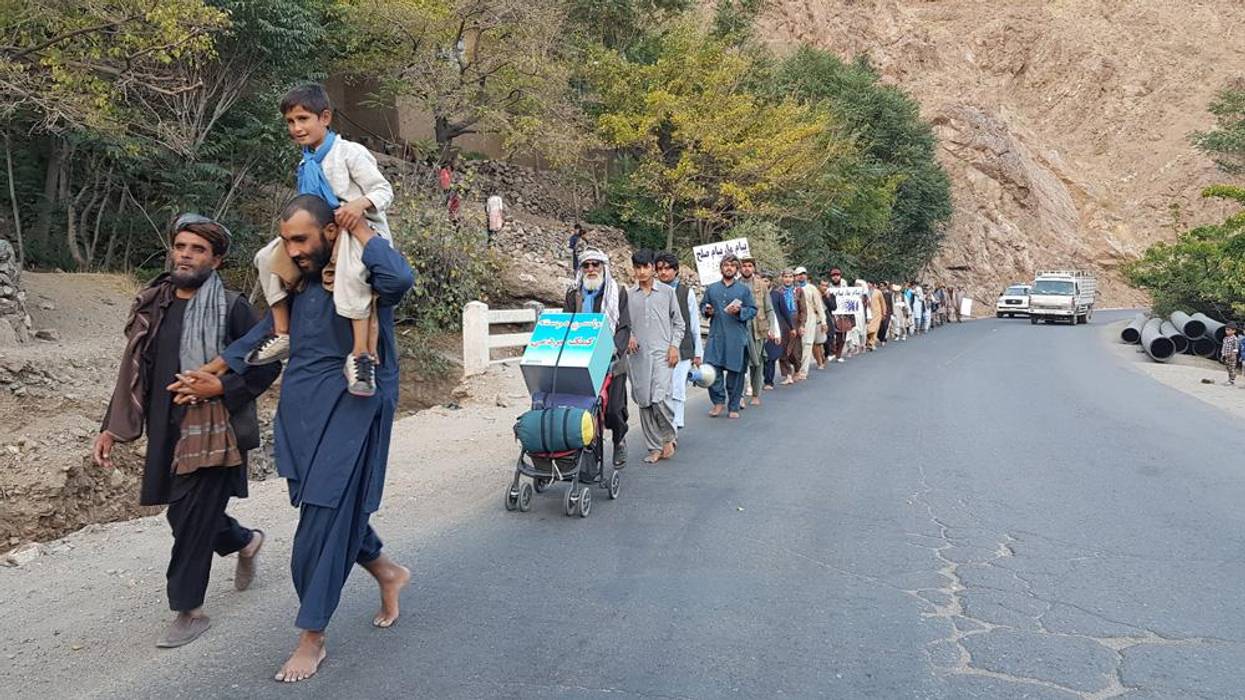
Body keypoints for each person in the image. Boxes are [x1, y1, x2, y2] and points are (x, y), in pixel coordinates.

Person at [221, 195, 414, 683]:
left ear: (330, 232)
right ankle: (387, 571)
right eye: (286, 241)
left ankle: (312, 634)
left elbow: (400, 279)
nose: (294, 250)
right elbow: (266, 334)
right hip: (303, 413)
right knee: (326, 507)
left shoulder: (362, 278)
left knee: (323, 519)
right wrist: (216, 371)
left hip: (354, 407)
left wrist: (360, 229)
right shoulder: (301, 283)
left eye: (301, 239)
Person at [93, 214, 279, 649]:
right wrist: (110, 429)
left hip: (217, 431)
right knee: (181, 515)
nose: (186, 255)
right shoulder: (153, 305)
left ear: (216, 260)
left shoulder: (232, 307)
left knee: (192, 519)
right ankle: (244, 540)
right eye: (181, 247)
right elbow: (134, 373)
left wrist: (223, 387)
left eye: (198, 249)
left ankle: (189, 610)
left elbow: (267, 362)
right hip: (166, 431)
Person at [232, 84, 394, 399]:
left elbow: (384, 190)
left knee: (351, 270)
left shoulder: (349, 153)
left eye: (303, 119)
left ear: (325, 118)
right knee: (266, 258)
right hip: (322, 235)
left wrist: (358, 205)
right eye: (291, 122)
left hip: (358, 231)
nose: (297, 128)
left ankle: (360, 354)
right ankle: (282, 332)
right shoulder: (306, 162)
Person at [564, 249, 631, 466]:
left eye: (596, 265)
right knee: (586, 410)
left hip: (612, 360)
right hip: (582, 360)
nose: (591, 269)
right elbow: (567, 324)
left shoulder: (617, 292)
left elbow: (624, 327)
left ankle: (619, 441)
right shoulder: (573, 294)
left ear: (604, 267)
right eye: (587, 265)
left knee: (613, 410)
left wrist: (613, 350)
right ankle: (591, 454)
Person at [626, 250, 685, 463]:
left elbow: (679, 323)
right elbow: (621, 324)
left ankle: (668, 436)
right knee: (644, 401)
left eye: (646, 267)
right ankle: (654, 447)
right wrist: (629, 336)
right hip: (638, 356)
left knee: (659, 398)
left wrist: (674, 346)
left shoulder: (667, 293)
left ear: (653, 268)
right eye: (637, 267)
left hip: (663, 354)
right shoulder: (628, 295)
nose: (642, 272)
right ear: (633, 270)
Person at [702, 254, 757, 418]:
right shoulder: (711, 289)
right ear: (721, 268)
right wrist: (707, 310)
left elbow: (752, 310)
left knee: (736, 372)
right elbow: (703, 306)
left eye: (733, 266)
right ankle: (718, 402)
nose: (729, 268)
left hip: (736, 337)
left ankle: (733, 405)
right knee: (711, 369)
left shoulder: (743, 290)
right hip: (716, 336)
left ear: (737, 269)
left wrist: (740, 311)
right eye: (726, 265)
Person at [654, 252, 702, 430]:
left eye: (667, 268)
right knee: (661, 387)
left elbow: (694, 324)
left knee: (678, 385)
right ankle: (664, 421)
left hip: (682, 347)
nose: (663, 272)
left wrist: (698, 353)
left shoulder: (686, 293)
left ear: (675, 270)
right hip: (659, 348)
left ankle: (677, 421)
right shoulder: (653, 291)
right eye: (660, 269)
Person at [739, 256, 776, 405]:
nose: (747, 268)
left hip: (758, 330)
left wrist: (772, 328)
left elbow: (769, 309)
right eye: (744, 266)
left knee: (757, 363)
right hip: (740, 329)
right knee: (740, 364)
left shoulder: (761, 285)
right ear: (740, 268)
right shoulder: (735, 285)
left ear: (754, 268)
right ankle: (739, 396)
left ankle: (755, 394)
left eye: (749, 266)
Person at [770, 269, 806, 384]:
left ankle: (797, 370)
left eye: (790, 277)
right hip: (782, 322)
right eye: (786, 277)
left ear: (794, 278)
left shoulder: (798, 291)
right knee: (782, 349)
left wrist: (802, 325)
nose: (788, 279)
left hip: (795, 322)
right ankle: (787, 375)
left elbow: (803, 310)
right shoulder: (777, 292)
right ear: (782, 278)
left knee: (796, 350)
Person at [794, 267, 826, 380]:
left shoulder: (812, 288)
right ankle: (796, 370)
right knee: (795, 346)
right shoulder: (792, 289)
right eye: (799, 274)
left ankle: (803, 371)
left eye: (803, 274)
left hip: (810, 319)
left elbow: (819, 306)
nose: (801, 276)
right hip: (795, 320)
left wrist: (823, 321)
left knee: (807, 344)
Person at [828, 268, 852, 363]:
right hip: (832, 314)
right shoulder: (828, 288)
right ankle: (831, 353)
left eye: (837, 275)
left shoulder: (845, 287)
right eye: (834, 275)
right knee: (831, 334)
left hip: (843, 314)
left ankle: (838, 355)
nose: (835, 277)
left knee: (842, 335)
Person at [867, 282, 885, 351]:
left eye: (869, 284)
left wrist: (884, 313)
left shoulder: (878, 292)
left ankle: (872, 343)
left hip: (877, 313)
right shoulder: (865, 292)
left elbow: (882, 303)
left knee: (875, 329)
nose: (868, 285)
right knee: (868, 329)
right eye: (867, 284)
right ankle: (868, 343)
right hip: (868, 313)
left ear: (873, 285)